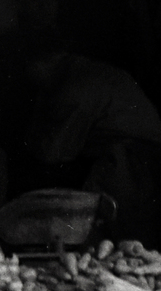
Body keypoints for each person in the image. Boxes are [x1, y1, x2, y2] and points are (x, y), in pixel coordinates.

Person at [22, 41, 161, 246]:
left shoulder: (75, 88)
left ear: (41, 64)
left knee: (118, 239)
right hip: (142, 157)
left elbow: (54, 153)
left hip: (134, 162)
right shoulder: (84, 70)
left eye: (30, 72)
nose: (31, 80)